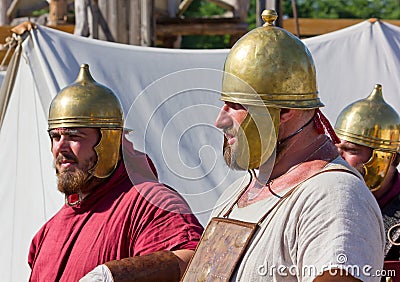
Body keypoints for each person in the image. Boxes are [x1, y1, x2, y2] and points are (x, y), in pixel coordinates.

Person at [181, 9, 384, 281]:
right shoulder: (239, 192)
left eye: (237, 106)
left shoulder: (334, 197)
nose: (220, 120)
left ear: (285, 111)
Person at [28, 64, 204, 281]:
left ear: (109, 141)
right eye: (55, 137)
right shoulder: (47, 233)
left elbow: (194, 261)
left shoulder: (151, 202)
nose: (60, 148)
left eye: (74, 136)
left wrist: (117, 275)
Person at [335, 84, 400, 280]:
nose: (338, 158)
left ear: (392, 159)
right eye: (335, 147)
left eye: (352, 150)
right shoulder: (323, 199)